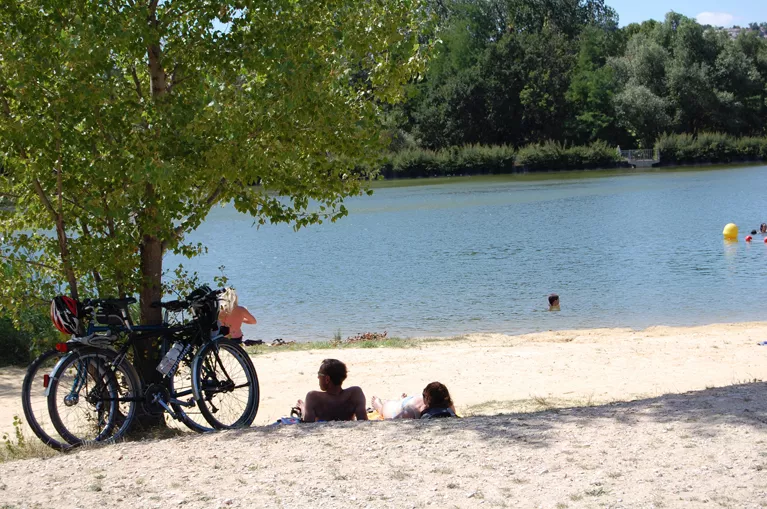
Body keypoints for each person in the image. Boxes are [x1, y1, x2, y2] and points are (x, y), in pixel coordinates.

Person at [296, 359, 368, 422]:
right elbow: (363, 420)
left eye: (319, 374)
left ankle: (303, 407)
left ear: (327, 379)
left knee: (304, 408)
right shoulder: (355, 393)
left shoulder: (313, 397)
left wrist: (303, 408)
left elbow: (308, 423)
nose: (318, 377)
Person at [370, 381, 457, 420]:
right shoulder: (413, 410)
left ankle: (402, 400)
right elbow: (393, 421)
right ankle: (379, 405)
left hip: (411, 401)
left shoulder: (447, 405)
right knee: (386, 407)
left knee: (396, 403)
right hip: (405, 405)